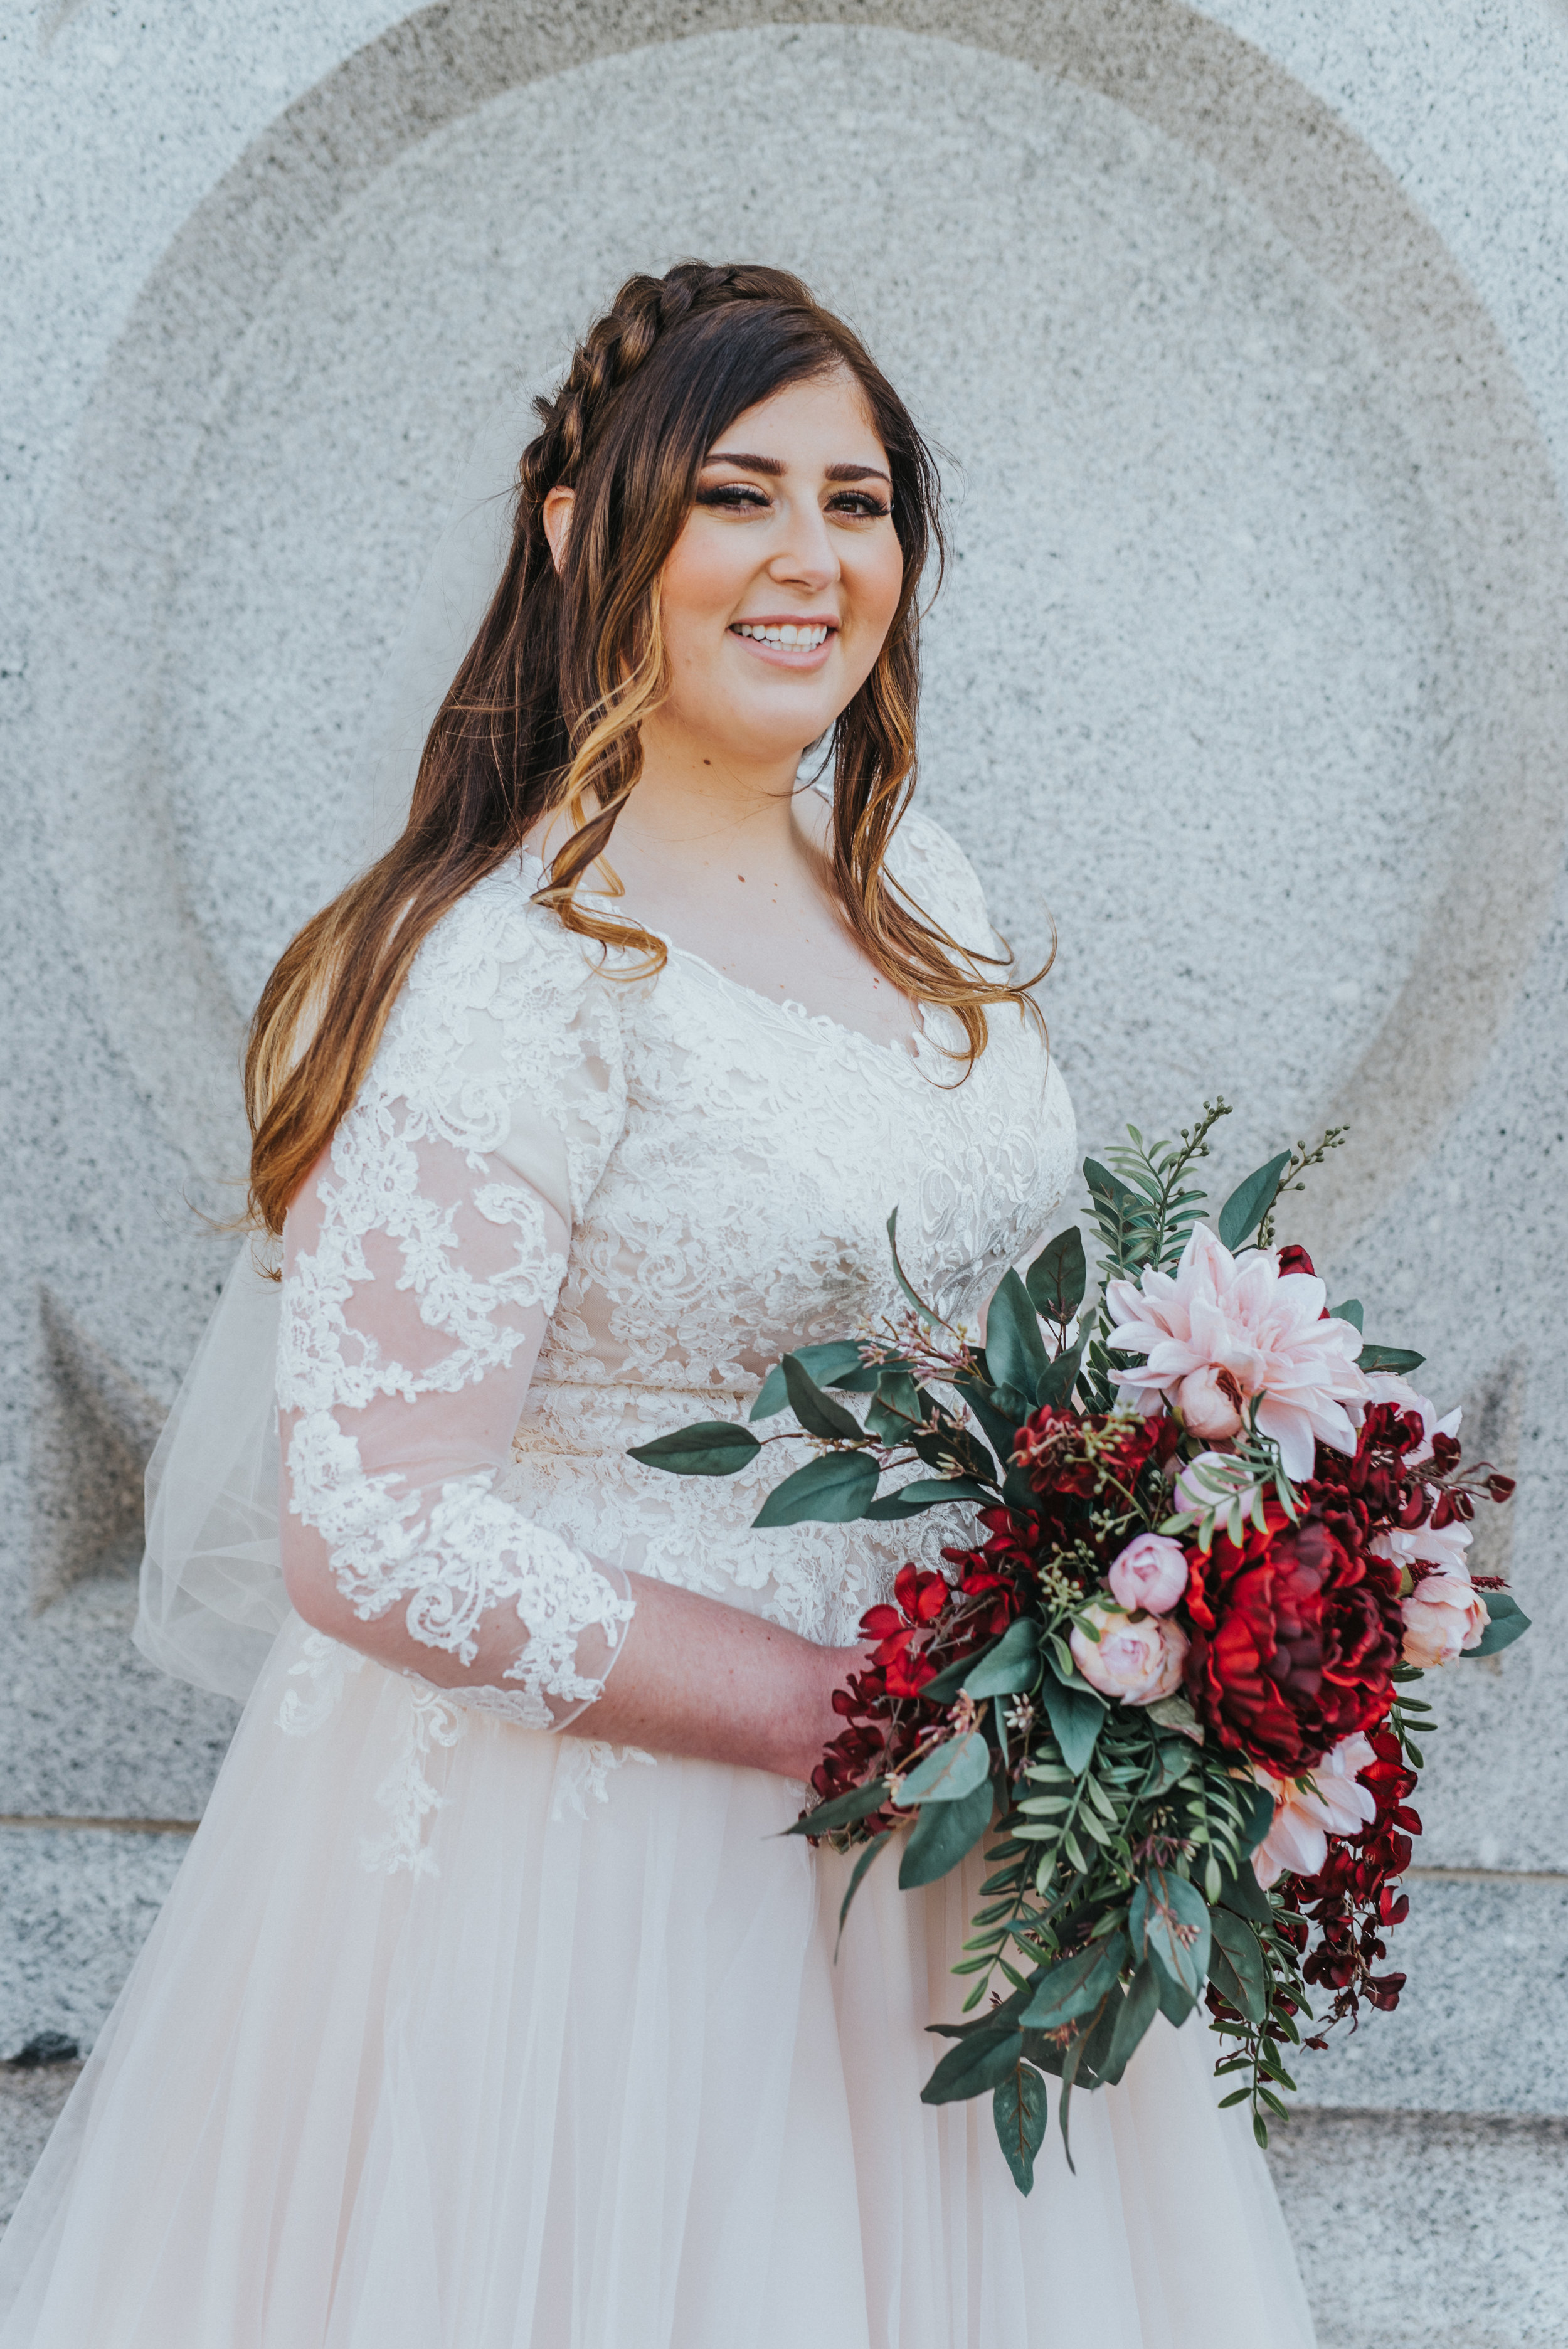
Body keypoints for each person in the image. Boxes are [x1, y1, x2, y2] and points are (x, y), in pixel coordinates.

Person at [0, 263, 1316, 2348]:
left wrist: (1178, 1577)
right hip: (610, 1883)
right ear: (579, 529)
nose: (810, 559)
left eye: (858, 502)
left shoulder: (922, 897)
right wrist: (865, 1718)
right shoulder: (515, 970)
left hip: (971, 1832)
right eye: (735, 494)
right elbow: (369, 1520)